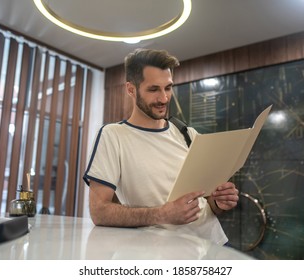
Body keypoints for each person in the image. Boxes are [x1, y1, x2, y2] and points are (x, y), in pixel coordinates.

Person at [83, 48, 239, 245]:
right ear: (131, 89)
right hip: (164, 254)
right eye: (154, 89)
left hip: (214, 247)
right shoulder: (113, 136)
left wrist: (219, 203)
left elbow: (206, 203)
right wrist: (162, 214)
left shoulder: (189, 135)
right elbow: (99, 212)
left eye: (168, 87)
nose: (164, 98)